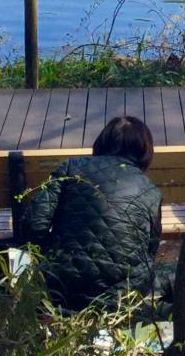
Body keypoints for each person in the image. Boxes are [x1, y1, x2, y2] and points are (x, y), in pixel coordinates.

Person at [21, 115, 162, 311]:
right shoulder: (150, 190)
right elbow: (150, 249)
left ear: (102, 142)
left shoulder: (71, 167)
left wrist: (51, 255)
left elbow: (34, 224)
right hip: (119, 298)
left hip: (59, 285)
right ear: (144, 150)